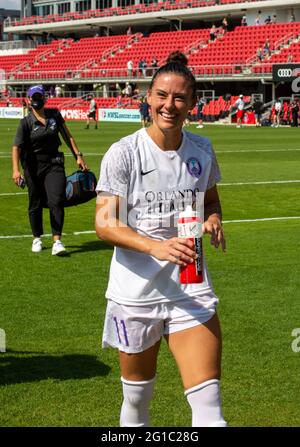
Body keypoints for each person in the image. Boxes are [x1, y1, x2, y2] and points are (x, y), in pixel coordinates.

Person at [95, 51, 227, 427]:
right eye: (162, 96)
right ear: (148, 97)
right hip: (134, 295)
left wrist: (214, 219)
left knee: (211, 411)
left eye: (180, 97)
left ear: (193, 103)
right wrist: (156, 246)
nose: (170, 105)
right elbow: (105, 224)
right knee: (137, 402)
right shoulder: (124, 153)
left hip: (191, 288)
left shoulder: (202, 149)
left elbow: (211, 199)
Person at [12, 85, 88, 255]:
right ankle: (37, 237)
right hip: (33, 167)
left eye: (40, 97)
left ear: (45, 98)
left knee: (56, 199)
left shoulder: (55, 115)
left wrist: (78, 155)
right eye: (34, 98)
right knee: (35, 203)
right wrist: (16, 170)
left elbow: (67, 136)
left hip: (54, 164)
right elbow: (16, 147)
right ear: (29, 100)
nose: (37, 100)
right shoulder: (25, 122)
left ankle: (57, 241)